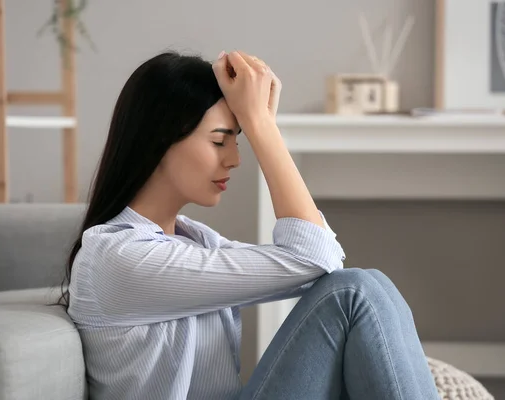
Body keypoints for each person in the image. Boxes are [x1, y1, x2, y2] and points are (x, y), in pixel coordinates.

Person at [60, 49, 440, 400]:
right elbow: (316, 256)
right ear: (160, 140)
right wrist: (262, 126)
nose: (235, 160)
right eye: (219, 141)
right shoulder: (117, 257)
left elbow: (320, 266)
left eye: (238, 140)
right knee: (355, 292)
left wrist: (261, 122)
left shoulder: (195, 241)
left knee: (365, 285)